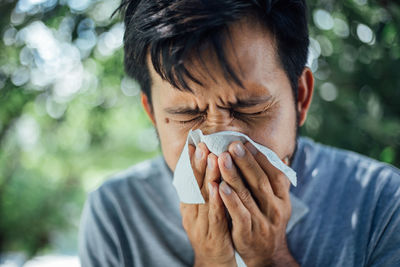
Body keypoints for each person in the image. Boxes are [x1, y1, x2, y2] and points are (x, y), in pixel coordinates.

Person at [78, 0, 400, 266]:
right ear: (153, 114)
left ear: (300, 97)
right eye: (187, 115)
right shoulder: (116, 216)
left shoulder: (381, 204)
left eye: (249, 109)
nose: (220, 147)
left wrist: (272, 257)